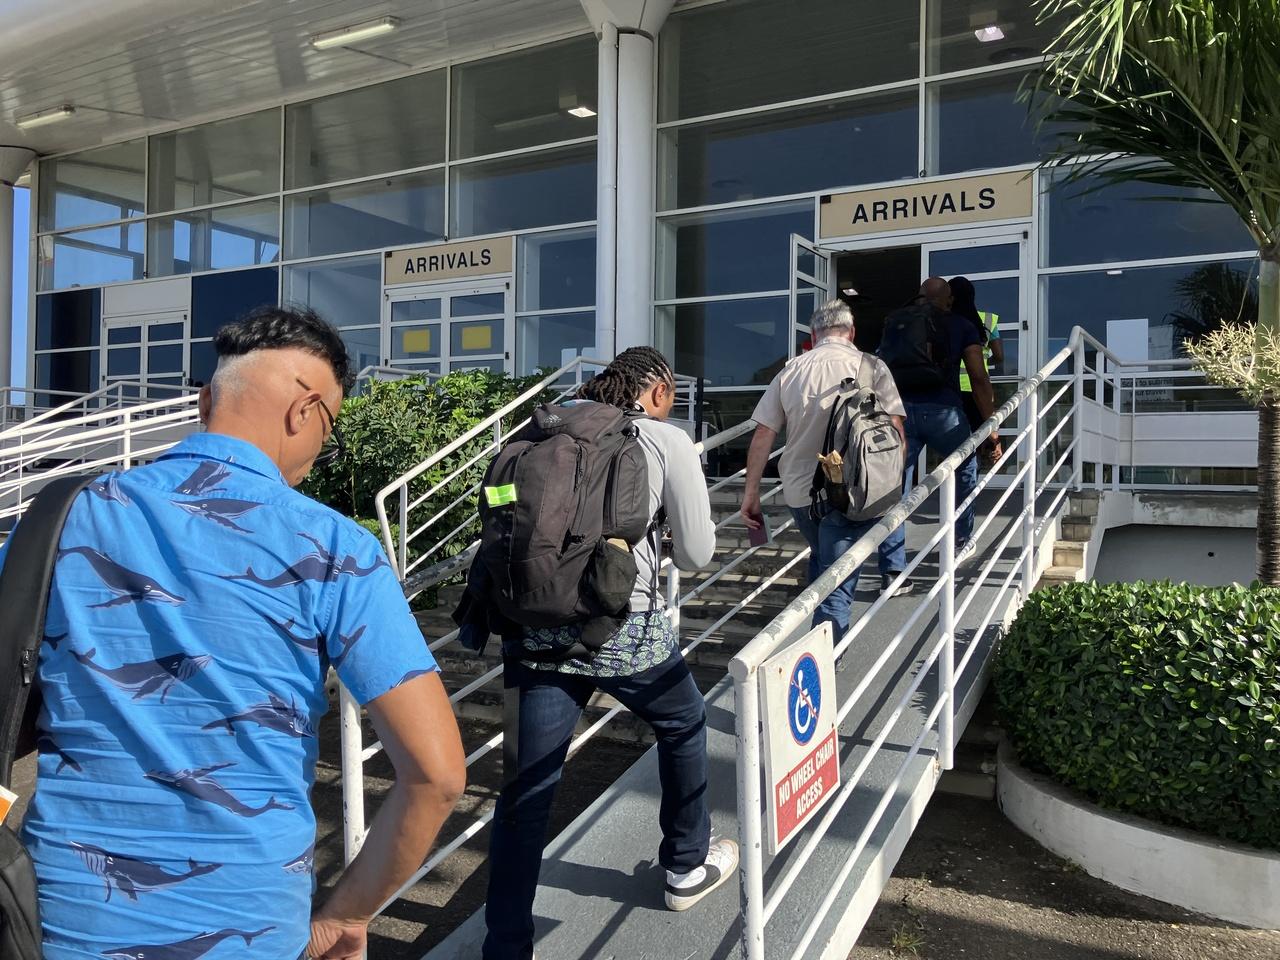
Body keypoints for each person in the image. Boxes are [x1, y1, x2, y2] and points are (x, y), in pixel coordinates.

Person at [12, 306, 466, 959]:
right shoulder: (335, 550)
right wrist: (345, 917)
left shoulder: (60, 518)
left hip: (62, 919)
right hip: (246, 926)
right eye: (331, 430)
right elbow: (438, 775)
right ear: (304, 411)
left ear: (206, 401)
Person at [483, 347, 733, 960]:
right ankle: (685, 866)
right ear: (658, 391)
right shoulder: (664, 439)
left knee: (528, 790)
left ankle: (506, 946)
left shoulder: (543, 427)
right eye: (670, 396)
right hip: (621, 623)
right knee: (684, 722)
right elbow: (697, 553)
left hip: (535, 623)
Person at [740, 300, 909, 643]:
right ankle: (826, 661)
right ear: (852, 332)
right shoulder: (872, 366)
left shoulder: (790, 370)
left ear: (813, 334)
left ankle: (813, 647)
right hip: (854, 491)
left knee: (824, 562)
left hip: (801, 493)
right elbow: (895, 431)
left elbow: (763, 434)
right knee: (837, 587)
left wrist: (751, 493)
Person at [882, 279, 1001, 573]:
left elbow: (879, 367)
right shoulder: (961, 325)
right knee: (965, 469)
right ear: (948, 299)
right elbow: (978, 377)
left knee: (895, 486)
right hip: (944, 413)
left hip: (899, 414)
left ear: (920, 295)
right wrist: (992, 427)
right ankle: (961, 540)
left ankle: (893, 569)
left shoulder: (897, 322)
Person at [949, 276, 1005, 464]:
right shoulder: (988, 319)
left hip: (951, 389)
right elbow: (999, 355)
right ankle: (978, 466)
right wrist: (986, 358)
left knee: (954, 444)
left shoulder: (944, 320)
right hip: (978, 389)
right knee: (981, 437)